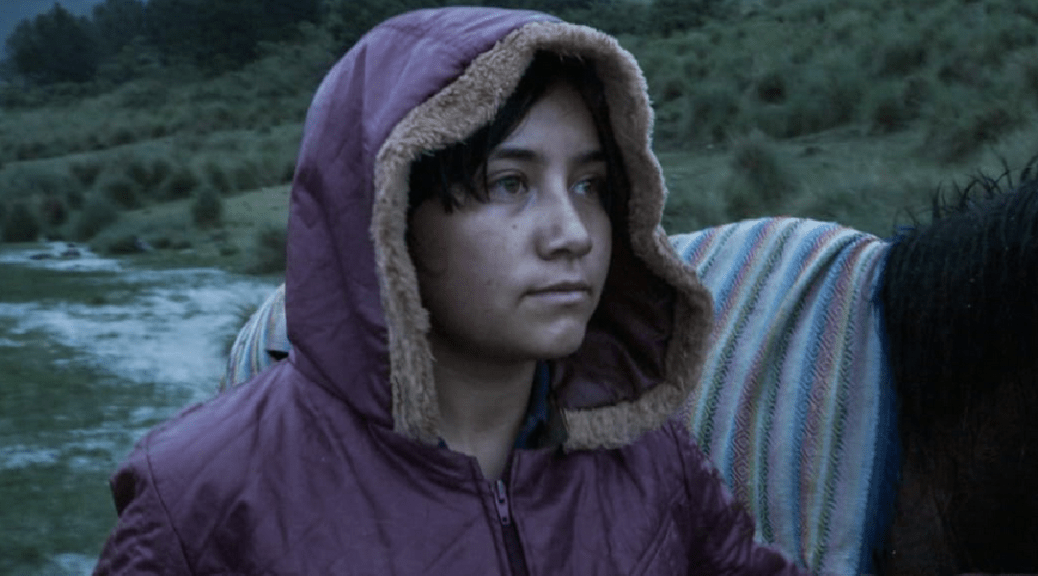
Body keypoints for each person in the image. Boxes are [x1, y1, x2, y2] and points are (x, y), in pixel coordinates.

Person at [94, 7, 805, 575]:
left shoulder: (648, 454)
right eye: (510, 183)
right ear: (388, 218)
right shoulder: (202, 498)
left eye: (590, 185)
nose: (573, 234)